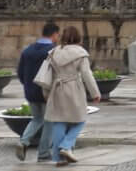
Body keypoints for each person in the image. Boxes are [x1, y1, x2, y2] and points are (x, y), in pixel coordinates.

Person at [43, 26, 100, 167]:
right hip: (74, 88)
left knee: (59, 122)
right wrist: (95, 93)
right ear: (78, 38)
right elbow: (87, 74)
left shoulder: (53, 52)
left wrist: (46, 93)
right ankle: (66, 146)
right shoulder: (80, 53)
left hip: (57, 89)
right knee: (80, 119)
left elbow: (47, 75)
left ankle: (59, 158)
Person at [15, 21, 60, 162]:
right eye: (58, 35)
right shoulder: (54, 51)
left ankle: (23, 142)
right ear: (54, 35)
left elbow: (20, 72)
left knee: (37, 119)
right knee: (49, 122)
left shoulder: (27, 50)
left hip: (30, 91)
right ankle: (44, 153)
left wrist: (28, 86)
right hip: (46, 92)